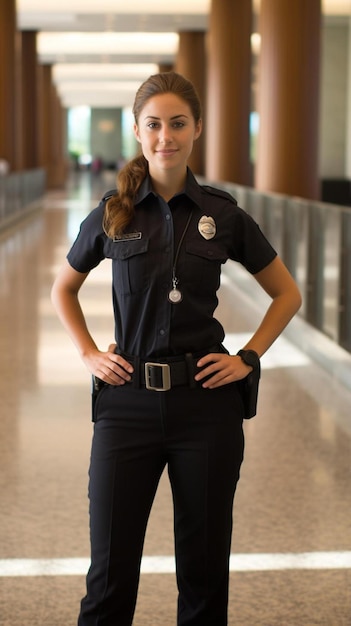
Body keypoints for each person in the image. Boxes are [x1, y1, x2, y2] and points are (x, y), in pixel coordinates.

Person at [51, 71, 301, 626]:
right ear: (139, 133)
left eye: (178, 123)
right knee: (109, 581)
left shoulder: (224, 214)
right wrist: (90, 353)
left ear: (197, 129)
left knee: (205, 577)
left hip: (206, 408)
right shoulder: (113, 211)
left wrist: (248, 358)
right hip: (126, 407)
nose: (167, 136)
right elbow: (62, 288)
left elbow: (287, 293)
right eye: (154, 124)